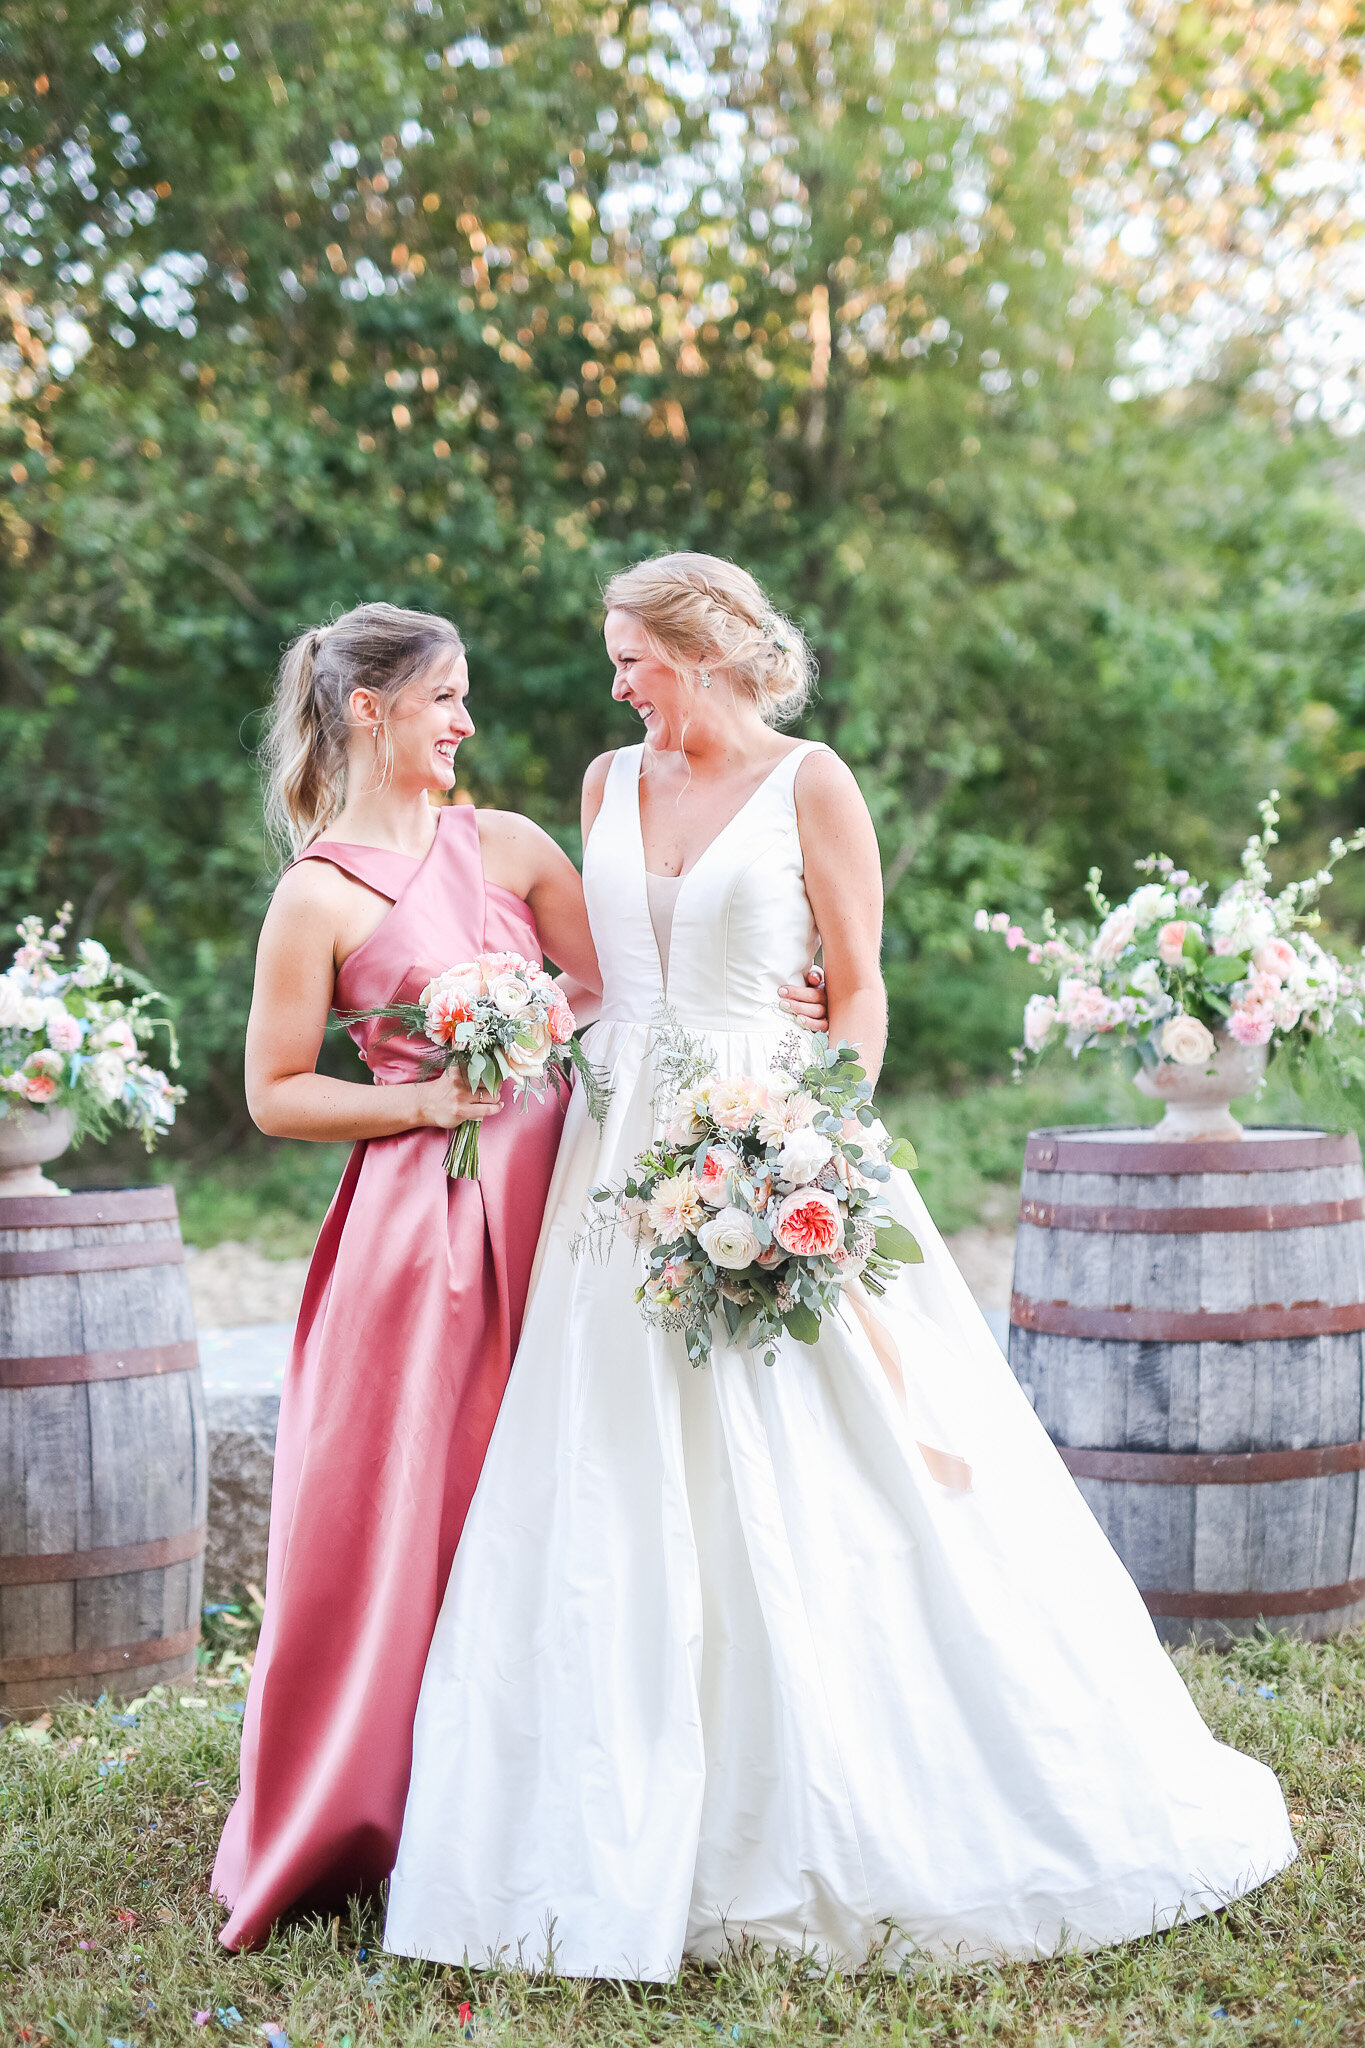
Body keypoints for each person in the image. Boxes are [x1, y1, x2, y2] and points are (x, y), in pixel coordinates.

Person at [383, 554, 1297, 1980]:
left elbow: (858, 990)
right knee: (604, 1464)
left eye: (634, 655)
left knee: (830, 1456)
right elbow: (588, 973)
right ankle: (597, 1819)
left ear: (704, 649)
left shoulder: (813, 782)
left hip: (773, 1133)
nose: (615, 680)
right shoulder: (601, 785)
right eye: (614, 659)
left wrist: (805, 1138)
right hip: (617, 1153)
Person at [213, 599, 825, 1950]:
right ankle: (358, 1810)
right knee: (399, 1514)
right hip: (416, 1231)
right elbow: (272, 1095)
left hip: (561, 1209)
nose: (467, 724)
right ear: (369, 711)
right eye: (445, 700)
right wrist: (423, 1106)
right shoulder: (316, 891)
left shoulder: (510, 845)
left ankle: (520, 1793)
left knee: (551, 1497)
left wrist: (787, 994)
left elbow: (627, 990)